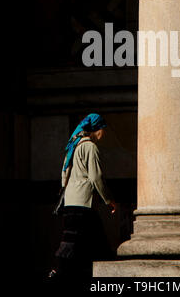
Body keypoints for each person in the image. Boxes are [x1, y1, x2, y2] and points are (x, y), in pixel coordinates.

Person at [47, 113, 116, 285]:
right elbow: (96, 177)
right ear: (96, 129)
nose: (104, 134)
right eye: (103, 129)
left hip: (71, 202)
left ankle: (65, 274)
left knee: (85, 242)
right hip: (83, 204)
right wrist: (109, 200)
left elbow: (64, 176)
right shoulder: (89, 147)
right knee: (79, 243)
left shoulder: (73, 145)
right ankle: (57, 272)